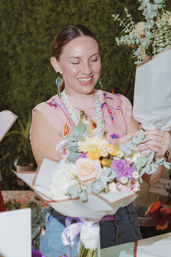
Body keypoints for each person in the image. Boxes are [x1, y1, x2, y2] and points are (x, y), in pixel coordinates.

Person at [30, 24, 170, 257]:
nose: (87, 70)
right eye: (75, 62)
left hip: (123, 226)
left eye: (94, 59)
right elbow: (57, 185)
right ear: (56, 64)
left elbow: (150, 176)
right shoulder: (47, 114)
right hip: (71, 232)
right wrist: (113, 152)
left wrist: (159, 151)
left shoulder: (120, 105)